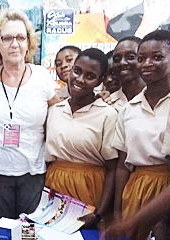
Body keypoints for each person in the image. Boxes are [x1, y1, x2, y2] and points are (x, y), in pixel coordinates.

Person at [0, 8, 60, 221]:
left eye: (20, 37)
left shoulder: (42, 77)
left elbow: (62, 112)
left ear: (28, 43)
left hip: (33, 173)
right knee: (0, 231)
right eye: (7, 38)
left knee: (30, 232)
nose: (14, 44)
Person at [45, 48, 118, 228]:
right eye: (77, 71)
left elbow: (112, 170)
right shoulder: (54, 110)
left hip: (90, 190)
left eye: (90, 76)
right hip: (55, 189)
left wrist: (99, 213)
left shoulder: (108, 114)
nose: (79, 79)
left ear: (100, 81)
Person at [113, 30, 170, 240]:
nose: (147, 63)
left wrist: (132, 221)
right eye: (141, 58)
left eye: (157, 57)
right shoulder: (129, 109)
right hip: (136, 191)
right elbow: (122, 166)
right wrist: (118, 212)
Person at [112, 36, 146, 102]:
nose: (122, 63)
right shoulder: (108, 103)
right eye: (116, 59)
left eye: (130, 57)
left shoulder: (159, 98)